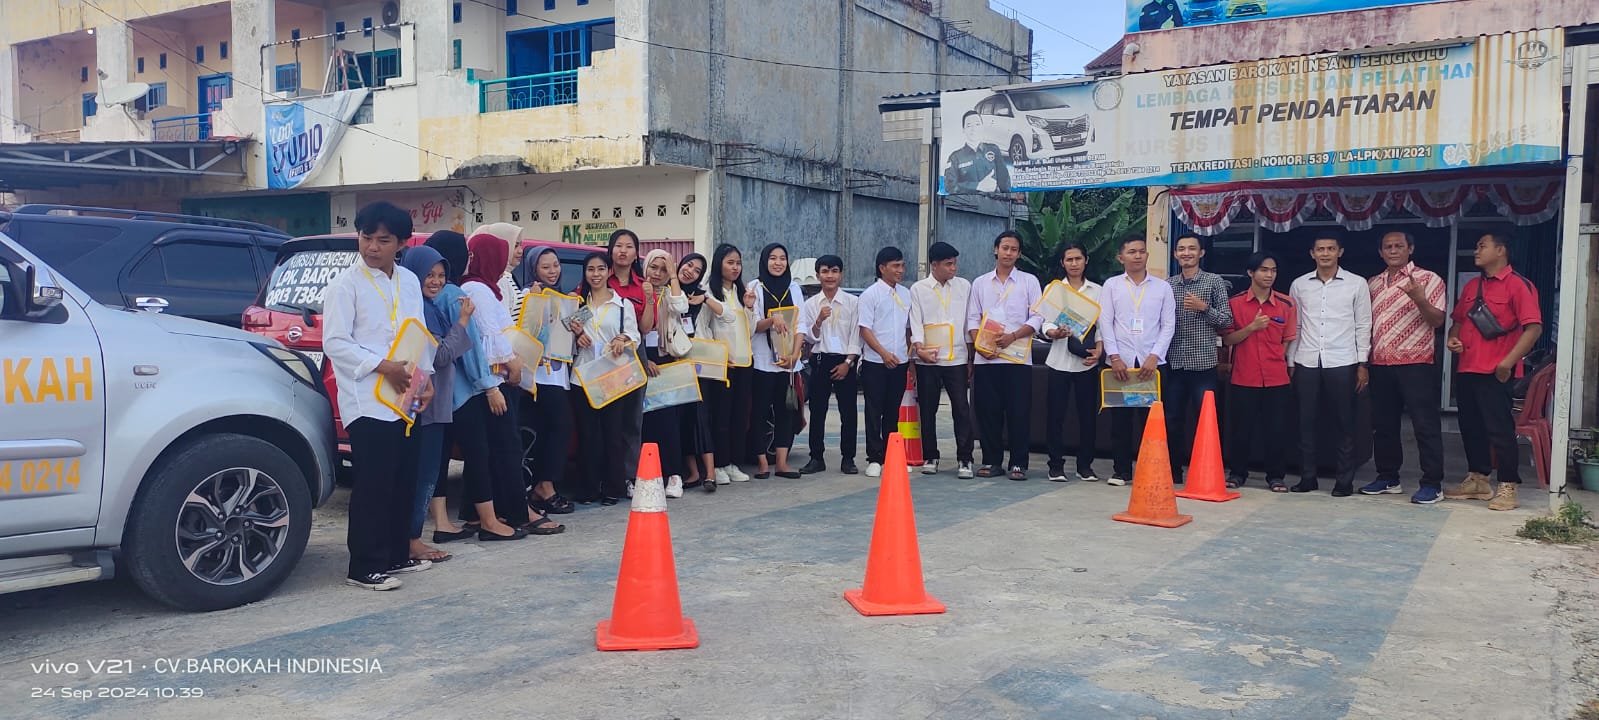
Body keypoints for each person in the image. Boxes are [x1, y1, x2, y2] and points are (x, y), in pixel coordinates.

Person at [322, 201, 434, 590]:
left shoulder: (408, 281)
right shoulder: (345, 285)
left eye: (383, 240)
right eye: (366, 237)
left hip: (405, 396)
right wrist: (382, 366)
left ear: (402, 243)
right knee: (374, 483)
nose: (372, 247)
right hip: (367, 398)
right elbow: (335, 342)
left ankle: (396, 555)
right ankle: (364, 566)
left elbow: (418, 332)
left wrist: (427, 378)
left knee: (404, 478)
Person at [459, 233, 563, 535]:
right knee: (507, 447)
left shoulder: (487, 286)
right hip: (495, 379)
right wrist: (513, 364)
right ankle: (519, 511)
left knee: (493, 449)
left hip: (497, 377)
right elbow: (491, 335)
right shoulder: (478, 289)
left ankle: (478, 513)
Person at [1444, 233, 1542, 511]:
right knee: (1470, 426)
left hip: (1497, 370)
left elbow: (1534, 328)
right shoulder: (1472, 286)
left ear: (1501, 250)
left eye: (1482, 246)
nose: (1476, 251)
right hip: (1467, 367)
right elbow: (1458, 323)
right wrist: (1453, 339)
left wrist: (1507, 363)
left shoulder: (1519, 285)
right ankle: (1478, 479)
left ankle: (1508, 485)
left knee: (1499, 429)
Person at [398, 244, 477, 563]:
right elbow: (440, 356)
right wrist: (463, 321)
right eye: (429, 275)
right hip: (424, 404)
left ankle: (412, 537)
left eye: (441, 275)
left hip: (431, 402)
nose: (435, 281)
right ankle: (411, 539)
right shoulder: (421, 310)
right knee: (424, 474)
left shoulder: (428, 306)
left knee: (429, 471)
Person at [1361, 231, 1448, 504]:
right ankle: (1388, 477)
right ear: (1380, 252)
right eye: (1388, 247)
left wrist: (1419, 299)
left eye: (1399, 246)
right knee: (1383, 425)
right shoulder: (1372, 284)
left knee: (1425, 425)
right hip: (1380, 362)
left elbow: (1438, 321)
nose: (1393, 250)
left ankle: (1432, 483)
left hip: (1416, 363)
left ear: (1410, 248)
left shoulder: (1428, 279)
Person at [1287, 232, 1372, 497]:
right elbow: (1295, 325)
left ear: (1340, 252)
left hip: (1343, 360)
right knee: (1305, 421)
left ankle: (1344, 481)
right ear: (1312, 254)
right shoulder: (1299, 285)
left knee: (1344, 422)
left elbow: (1363, 324)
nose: (1325, 253)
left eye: (1330, 249)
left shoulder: (1357, 284)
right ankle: (1308, 477)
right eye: (1320, 249)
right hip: (1307, 359)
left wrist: (1363, 363)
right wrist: (1291, 359)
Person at [1099, 235, 1176, 486]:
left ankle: (1150, 470)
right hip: (1120, 363)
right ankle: (1121, 471)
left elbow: (1168, 325)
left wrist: (1155, 355)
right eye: (1132, 252)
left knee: (1152, 421)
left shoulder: (1162, 287)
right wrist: (1114, 356)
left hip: (1151, 365)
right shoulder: (1111, 285)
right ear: (1120, 257)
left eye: (1142, 251)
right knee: (1120, 421)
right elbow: (1105, 322)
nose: (1138, 256)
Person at [966, 230, 1043, 481]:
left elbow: (1037, 317)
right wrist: (980, 345)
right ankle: (991, 461)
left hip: (1017, 357)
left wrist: (1013, 336)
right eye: (1005, 248)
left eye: (1014, 249)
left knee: (1019, 411)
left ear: (1019, 254)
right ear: (995, 250)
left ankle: (1019, 463)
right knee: (988, 412)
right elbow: (972, 317)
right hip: (986, 359)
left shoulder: (1029, 281)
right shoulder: (980, 283)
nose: (1008, 253)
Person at [571, 253, 643, 505]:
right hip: (583, 377)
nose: (596, 274)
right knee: (588, 434)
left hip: (613, 376)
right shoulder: (578, 304)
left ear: (608, 271)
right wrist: (577, 337)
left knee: (613, 433)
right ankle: (588, 488)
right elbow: (565, 340)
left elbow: (635, 335)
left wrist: (623, 339)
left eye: (601, 269)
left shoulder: (622, 305)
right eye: (590, 269)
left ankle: (613, 487)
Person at [1222, 252, 1296, 492]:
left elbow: (1288, 340)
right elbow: (1228, 339)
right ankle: (1237, 473)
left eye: (1273, 270)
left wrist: (1280, 361)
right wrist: (1251, 327)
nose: (1269, 275)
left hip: (1276, 377)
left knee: (1276, 430)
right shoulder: (1235, 303)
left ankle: (1276, 476)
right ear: (1250, 273)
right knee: (1241, 430)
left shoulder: (1286, 303)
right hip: (1244, 375)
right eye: (1264, 270)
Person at [1165, 235, 1234, 483]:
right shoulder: (1168, 285)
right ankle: (1173, 471)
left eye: (1191, 249)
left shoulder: (1214, 282)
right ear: (1175, 254)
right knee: (1172, 420)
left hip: (1203, 364)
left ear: (1201, 253)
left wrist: (1203, 307)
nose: (1186, 253)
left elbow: (1227, 320)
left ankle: (1205, 472)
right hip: (1174, 362)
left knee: (1205, 420)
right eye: (1181, 249)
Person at [513, 247, 577, 515]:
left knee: (553, 430)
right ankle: (545, 486)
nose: (553, 271)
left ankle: (542, 484)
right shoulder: (527, 295)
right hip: (538, 375)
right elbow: (523, 331)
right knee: (560, 427)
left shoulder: (567, 297)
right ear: (533, 269)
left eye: (556, 265)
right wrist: (535, 302)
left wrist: (577, 322)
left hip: (559, 374)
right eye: (545, 267)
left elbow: (574, 333)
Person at [909, 241, 975, 478]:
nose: (953, 268)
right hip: (928, 359)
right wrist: (919, 350)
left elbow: (969, 321)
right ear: (934, 265)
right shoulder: (919, 289)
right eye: (948, 264)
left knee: (961, 409)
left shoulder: (964, 286)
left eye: (955, 263)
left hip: (957, 358)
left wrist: (970, 356)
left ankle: (965, 458)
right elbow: (915, 322)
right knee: (928, 409)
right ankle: (931, 456)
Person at [1041, 243, 1104, 483]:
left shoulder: (1097, 291)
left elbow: (1102, 325)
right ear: (1062, 263)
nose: (1074, 263)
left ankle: (1085, 466)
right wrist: (1053, 332)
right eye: (1069, 259)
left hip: (1086, 362)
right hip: (1059, 361)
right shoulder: (1054, 289)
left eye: (1078, 258)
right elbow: (1045, 321)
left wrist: (1099, 349)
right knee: (1055, 416)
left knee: (1087, 416)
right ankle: (1055, 465)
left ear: (1086, 260)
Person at [798, 254, 861, 475]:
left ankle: (848, 458)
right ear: (818, 275)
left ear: (841, 274)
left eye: (834, 271)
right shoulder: (811, 304)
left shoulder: (852, 303)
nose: (830, 276)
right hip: (820, 360)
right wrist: (818, 321)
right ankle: (816, 457)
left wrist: (848, 362)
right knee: (817, 411)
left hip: (845, 360)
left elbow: (856, 335)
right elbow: (809, 337)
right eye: (825, 271)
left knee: (848, 412)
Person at [747, 243, 804, 479]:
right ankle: (762, 462)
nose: (778, 263)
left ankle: (781, 463)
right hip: (762, 361)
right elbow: (752, 326)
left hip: (788, 362)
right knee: (759, 413)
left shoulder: (794, 287)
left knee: (785, 412)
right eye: (772, 258)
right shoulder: (754, 287)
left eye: (782, 258)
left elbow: (801, 324)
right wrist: (772, 320)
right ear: (764, 261)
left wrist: (795, 355)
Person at [857, 247, 913, 478]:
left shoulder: (906, 294)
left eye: (902, 265)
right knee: (874, 410)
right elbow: (865, 329)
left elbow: (908, 329)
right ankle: (874, 457)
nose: (900, 270)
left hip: (900, 361)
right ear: (882, 268)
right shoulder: (870, 295)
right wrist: (882, 353)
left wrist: (910, 358)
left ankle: (892, 457)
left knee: (893, 411)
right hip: (875, 362)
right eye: (895, 266)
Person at [700, 244, 753, 485]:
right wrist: (718, 356)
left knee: (739, 417)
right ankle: (719, 465)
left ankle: (733, 462)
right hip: (722, 366)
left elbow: (750, 330)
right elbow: (704, 328)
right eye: (730, 262)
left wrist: (749, 308)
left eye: (738, 263)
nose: (735, 267)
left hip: (744, 362)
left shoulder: (743, 292)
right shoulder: (708, 292)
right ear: (719, 263)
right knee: (720, 416)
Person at [641, 248, 691, 498]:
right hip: (640, 357)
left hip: (666, 357)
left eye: (663, 269)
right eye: (654, 267)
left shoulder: (671, 293)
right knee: (644, 421)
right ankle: (648, 474)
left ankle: (674, 475)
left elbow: (682, 306)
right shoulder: (638, 291)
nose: (657, 273)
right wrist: (643, 359)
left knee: (668, 420)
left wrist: (673, 276)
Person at [677, 253, 721, 492]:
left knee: (701, 417)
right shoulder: (671, 293)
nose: (690, 272)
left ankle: (710, 473)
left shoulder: (703, 295)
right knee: (683, 418)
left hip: (701, 364)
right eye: (689, 265)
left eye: (697, 270)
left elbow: (725, 314)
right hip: (676, 363)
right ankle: (693, 472)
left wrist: (704, 299)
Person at [944, 110, 1010, 194]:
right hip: (967, 202)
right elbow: (950, 186)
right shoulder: (955, 157)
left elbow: (1005, 181)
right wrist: (977, 186)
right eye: (969, 125)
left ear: (982, 127)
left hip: (993, 201)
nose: (973, 129)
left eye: (977, 124)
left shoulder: (993, 149)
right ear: (963, 130)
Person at [473, 222, 526, 315]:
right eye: (515, 246)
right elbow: (504, 318)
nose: (520, 251)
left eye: (520, 245)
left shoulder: (507, 276)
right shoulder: (500, 279)